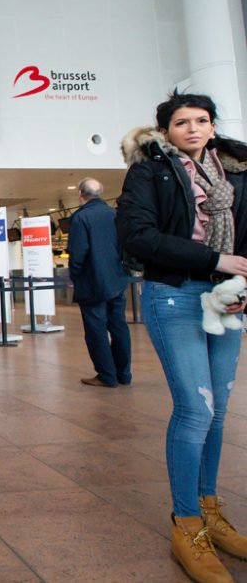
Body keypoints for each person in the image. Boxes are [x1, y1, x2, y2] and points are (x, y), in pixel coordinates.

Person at [117, 91, 247, 583]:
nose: (193, 129)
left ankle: (211, 511)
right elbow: (136, 236)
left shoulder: (234, 173)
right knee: (196, 409)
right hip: (174, 295)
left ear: (213, 127)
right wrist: (214, 260)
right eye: (181, 122)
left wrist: (242, 287)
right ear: (164, 131)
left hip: (227, 296)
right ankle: (187, 525)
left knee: (218, 413)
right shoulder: (150, 172)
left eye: (202, 120)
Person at [67, 177, 132, 388]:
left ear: (80, 194)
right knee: (119, 326)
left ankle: (106, 375)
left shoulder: (80, 218)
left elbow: (78, 253)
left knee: (96, 330)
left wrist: (75, 275)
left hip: (92, 282)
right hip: (117, 280)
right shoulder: (115, 215)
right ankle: (124, 373)